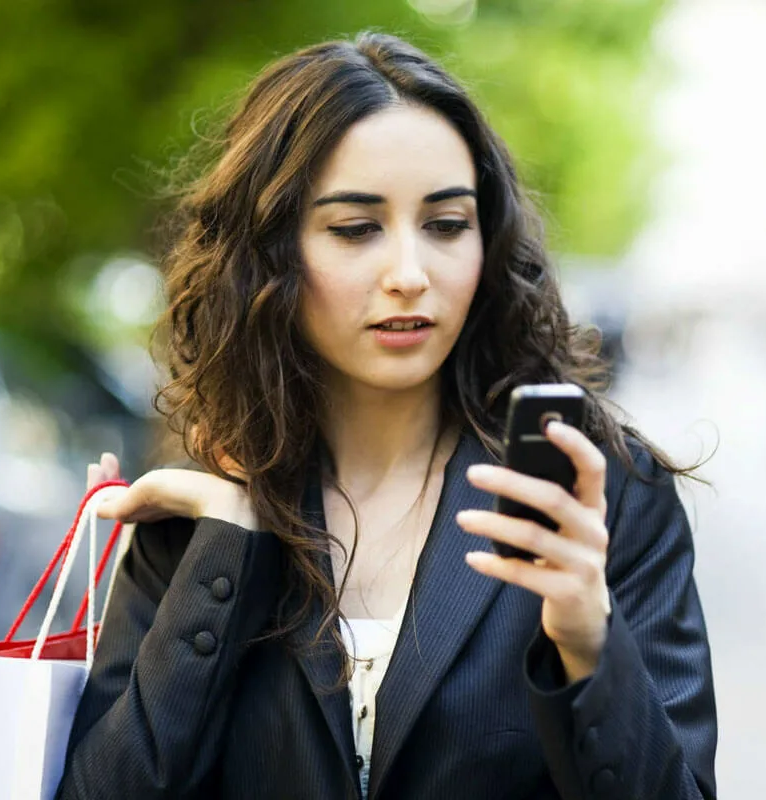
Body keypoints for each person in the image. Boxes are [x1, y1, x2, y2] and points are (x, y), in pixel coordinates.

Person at [57, 32, 716, 800]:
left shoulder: (594, 497)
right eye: (355, 229)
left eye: (445, 225)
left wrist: (586, 641)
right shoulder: (196, 523)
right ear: (269, 254)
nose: (409, 275)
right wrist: (229, 540)